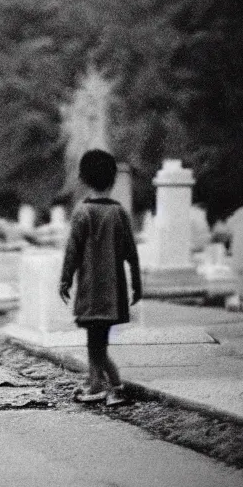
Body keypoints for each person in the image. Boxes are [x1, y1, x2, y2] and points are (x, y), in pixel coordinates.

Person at [59, 149, 142, 406]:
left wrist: (65, 279)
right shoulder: (119, 213)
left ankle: (115, 385)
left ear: (83, 179)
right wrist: (137, 284)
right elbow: (131, 253)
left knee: (96, 345)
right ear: (114, 179)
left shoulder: (82, 213)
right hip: (113, 291)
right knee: (97, 341)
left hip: (90, 291)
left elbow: (72, 250)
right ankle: (95, 383)